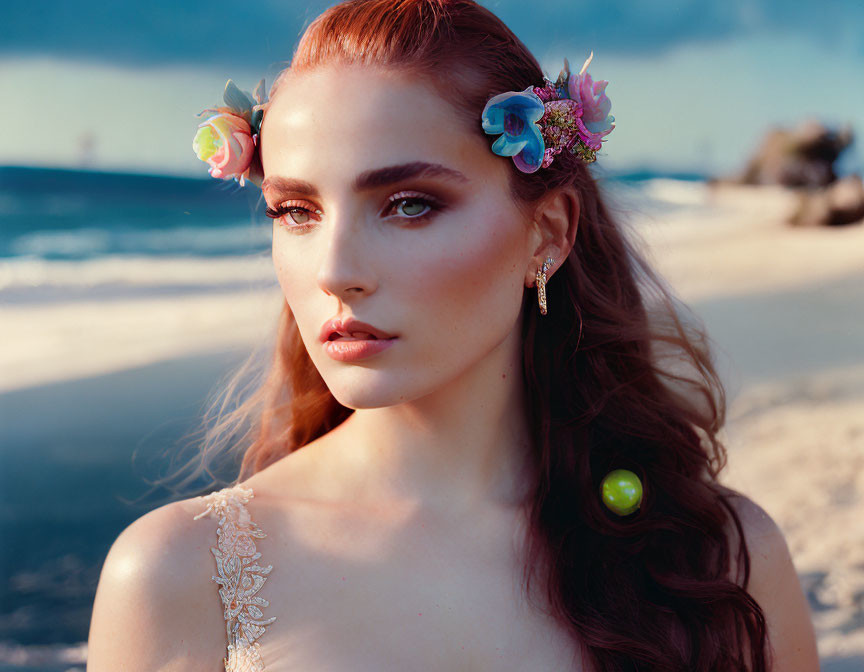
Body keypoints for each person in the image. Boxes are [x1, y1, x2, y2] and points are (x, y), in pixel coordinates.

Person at [86, 1, 820, 670]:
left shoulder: (721, 558)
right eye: (297, 212)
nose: (336, 271)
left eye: (409, 205)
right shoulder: (178, 576)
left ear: (548, 234)